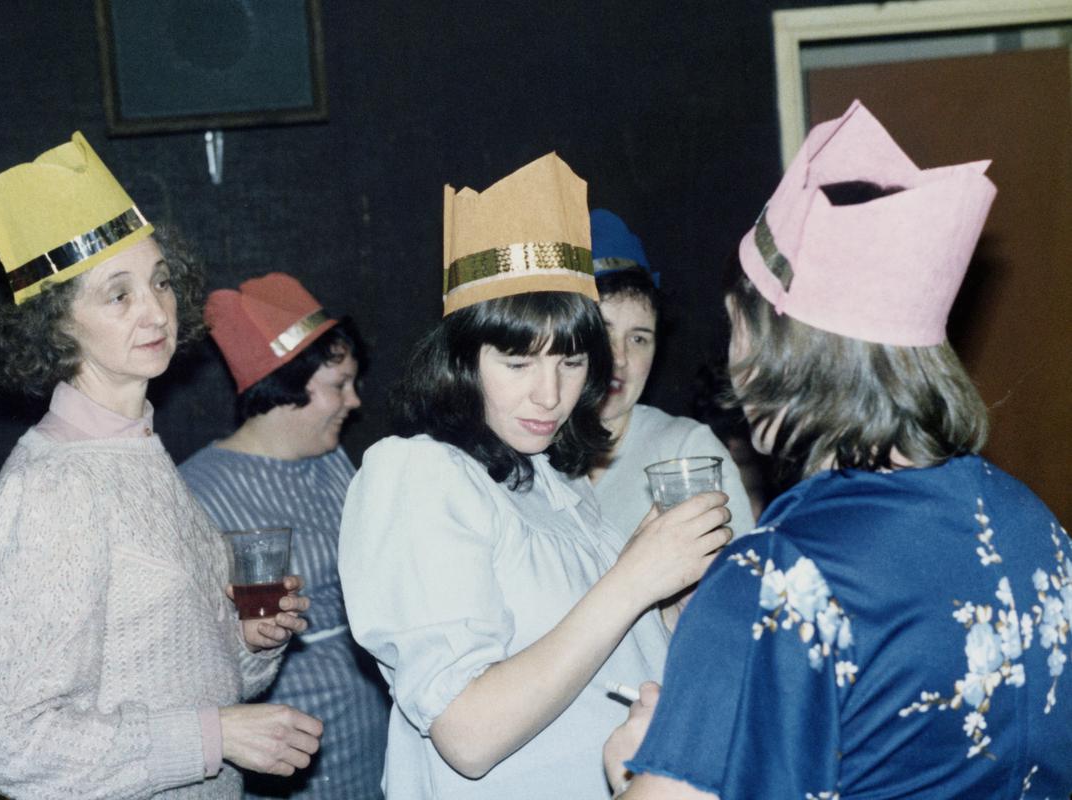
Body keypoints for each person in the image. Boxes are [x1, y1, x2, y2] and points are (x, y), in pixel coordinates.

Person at [603, 101, 1072, 798]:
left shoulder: (777, 573)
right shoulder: (1036, 526)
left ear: (774, 350)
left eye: (736, 324)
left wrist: (634, 768)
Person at [338, 153, 733, 799]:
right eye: (518, 363)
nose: (550, 395)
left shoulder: (550, 475)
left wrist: (666, 609)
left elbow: (589, 652)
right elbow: (467, 736)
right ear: (462, 360)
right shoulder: (417, 474)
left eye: (571, 362)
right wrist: (634, 579)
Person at [0, 133, 323, 800]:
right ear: (56, 325)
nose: (157, 310)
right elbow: (11, 744)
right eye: (118, 295)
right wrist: (215, 736)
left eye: (160, 281)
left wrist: (248, 639)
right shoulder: (53, 485)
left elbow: (180, 677)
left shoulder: (137, 452)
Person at [179, 273, 389, 799]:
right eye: (339, 384)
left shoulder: (331, 461)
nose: (354, 401)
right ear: (286, 385)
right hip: (294, 757)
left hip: (376, 735)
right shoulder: (201, 494)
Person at [587, 208, 756, 543]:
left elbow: (741, 572)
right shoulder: (530, 454)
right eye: (603, 333)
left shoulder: (684, 451)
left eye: (638, 339)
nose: (619, 358)